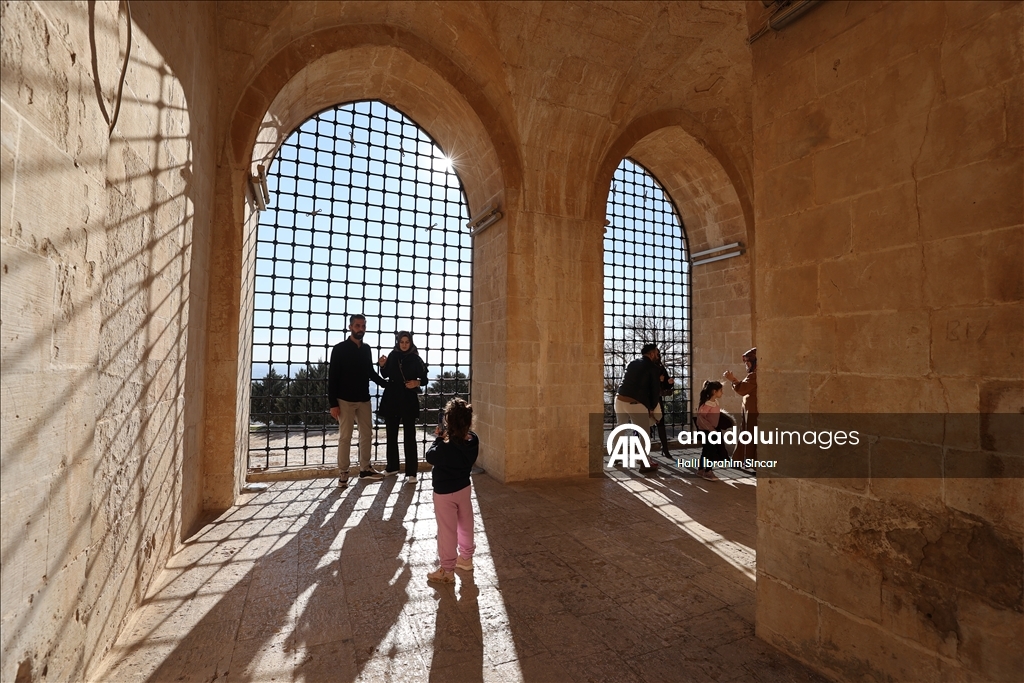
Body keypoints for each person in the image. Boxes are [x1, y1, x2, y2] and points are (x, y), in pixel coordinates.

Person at [328, 314, 386, 485]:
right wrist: (333, 404)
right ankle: (343, 473)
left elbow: (370, 372)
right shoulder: (339, 349)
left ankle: (365, 469)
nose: (361, 329)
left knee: (367, 434)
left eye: (363, 326)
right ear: (350, 327)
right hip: (344, 400)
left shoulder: (366, 349)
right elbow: (333, 377)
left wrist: (388, 384)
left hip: (363, 399)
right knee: (345, 437)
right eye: (357, 326)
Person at [425, 398, 479, 584]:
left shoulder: (444, 447)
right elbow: (459, 442)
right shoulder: (473, 440)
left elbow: (430, 456)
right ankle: (466, 558)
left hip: (444, 493)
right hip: (464, 488)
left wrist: (439, 438)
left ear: (448, 421)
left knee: (447, 531)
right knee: (466, 525)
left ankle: (447, 570)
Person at [377, 331, 428, 483]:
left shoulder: (415, 358)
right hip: (392, 398)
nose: (404, 345)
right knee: (391, 434)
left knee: (409, 436)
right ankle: (392, 467)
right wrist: (382, 365)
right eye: (402, 342)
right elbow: (385, 374)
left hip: (408, 399)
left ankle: (411, 473)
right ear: (398, 342)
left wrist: (416, 383)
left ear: (410, 343)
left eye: (407, 342)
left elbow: (424, 378)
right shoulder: (393, 355)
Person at [614, 343, 662, 474]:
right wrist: (652, 407)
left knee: (620, 427)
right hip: (635, 402)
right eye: (656, 354)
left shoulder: (632, 363)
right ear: (651, 354)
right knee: (644, 433)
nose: (657, 356)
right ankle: (644, 462)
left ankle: (616, 455)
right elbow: (655, 390)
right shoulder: (653, 368)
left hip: (619, 399)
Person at [724, 347, 758, 463]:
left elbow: (742, 389)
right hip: (749, 409)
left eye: (748, 362)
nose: (746, 365)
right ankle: (739, 459)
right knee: (745, 433)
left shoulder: (754, 375)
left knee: (749, 434)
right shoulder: (753, 375)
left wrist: (732, 380)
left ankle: (748, 460)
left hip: (753, 410)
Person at [695, 380, 731, 481]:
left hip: (713, 430)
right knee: (711, 451)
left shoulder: (715, 402)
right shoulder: (707, 404)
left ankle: (701, 470)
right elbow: (701, 419)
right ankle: (708, 471)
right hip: (707, 431)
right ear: (714, 392)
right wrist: (711, 429)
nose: (722, 393)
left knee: (706, 450)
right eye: (721, 391)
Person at [655, 358, 676, 459]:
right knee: (644, 425)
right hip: (646, 399)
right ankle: (640, 450)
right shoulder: (645, 367)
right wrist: (657, 380)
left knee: (661, 423)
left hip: (657, 400)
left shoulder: (660, 367)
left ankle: (665, 448)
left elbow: (665, 384)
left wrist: (669, 383)